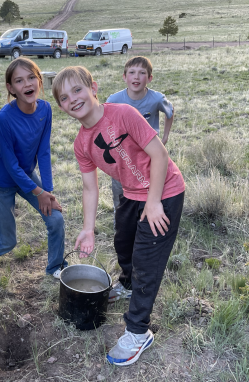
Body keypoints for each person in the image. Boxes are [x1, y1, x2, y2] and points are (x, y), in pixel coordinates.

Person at [52, 66, 185, 366]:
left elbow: (160, 155)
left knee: (146, 263)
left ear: (93, 87)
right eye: (63, 97)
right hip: (131, 194)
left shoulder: (123, 114)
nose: (72, 99)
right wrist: (88, 229)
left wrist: (153, 202)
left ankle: (138, 332)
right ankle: (125, 284)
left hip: (164, 191)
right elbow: (89, 188)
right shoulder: (81, 144)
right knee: (123, 245)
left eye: (77, 90)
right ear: (61, 107)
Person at [0, 57, 67, 278]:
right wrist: (38, 192)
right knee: (7, 241)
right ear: (11, 88)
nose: (27, 84)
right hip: (1, 182)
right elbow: (10, 165)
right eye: (19, 81)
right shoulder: (5, 118)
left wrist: (48, 190)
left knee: (56, 219)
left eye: (31, 78)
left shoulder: (45, 109)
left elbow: (44, 151)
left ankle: (55, 267)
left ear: (39, 81)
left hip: (26, 175)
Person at [107, 56, 174, 216]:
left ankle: (147, 219)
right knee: (121, 192)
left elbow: (170, 112)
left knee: (149, 189)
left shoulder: (156, 98)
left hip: (149, 156)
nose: (136, 77)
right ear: (124, 77)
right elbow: (105, 122)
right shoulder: (114, 99)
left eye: (142, 73)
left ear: (149, 78)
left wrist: (164, 137)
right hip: (122, 157)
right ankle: (120, 222)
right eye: (131, 72)